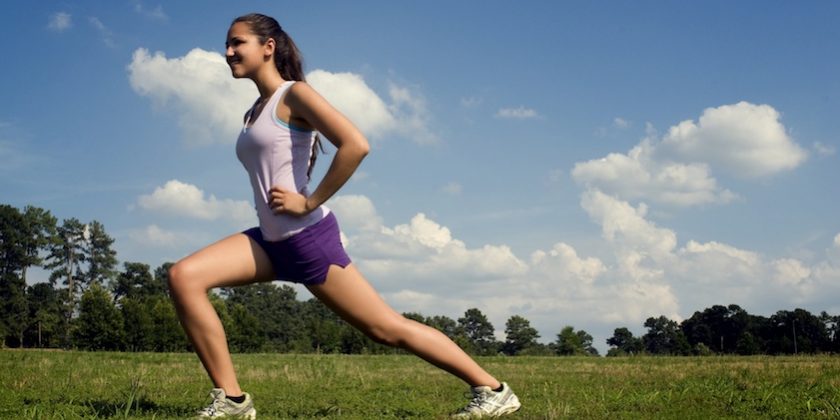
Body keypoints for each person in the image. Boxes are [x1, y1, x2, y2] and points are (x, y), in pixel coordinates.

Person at [167, 13, 521, 419]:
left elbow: (355, 144)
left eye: (237, 43)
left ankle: (493, 389)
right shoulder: (255, 110)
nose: (228, 52)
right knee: (184, 276)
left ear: (268, 47)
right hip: (270, 240)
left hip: (306, 238)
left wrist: (309, 201)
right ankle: (232, 400)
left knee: (386, 329)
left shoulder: (294, 95)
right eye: (226, 45)